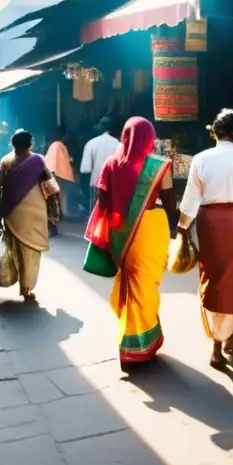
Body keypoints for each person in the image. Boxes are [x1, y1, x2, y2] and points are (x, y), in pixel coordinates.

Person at [177, 109, 233, 368]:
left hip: (210, 223)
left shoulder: (201, 159)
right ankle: (225, 339)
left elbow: (190, 200)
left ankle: (219, 343)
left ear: (214, 132)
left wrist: (182, 231)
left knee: (214, 279)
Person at [85, 117, 177, 367]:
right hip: (150, 229)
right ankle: (134, 346)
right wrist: (179, 230)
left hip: (121, 233)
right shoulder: (159, 166)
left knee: (132, 282)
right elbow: (170, 203)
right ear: (150, 138)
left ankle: (137, 338)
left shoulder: (110, 164)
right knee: (145, 285)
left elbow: (102, 202)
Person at [0, 130, 56, 302]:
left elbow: (0, 191)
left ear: (13, 144)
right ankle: (26, 286)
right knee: (32, 250)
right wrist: (53, 211)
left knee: (17, 250)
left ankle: (23, 284)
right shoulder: (38, 160)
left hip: (11, 213)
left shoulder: (5, 162)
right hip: (35, 211)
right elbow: (50, 186)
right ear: (31, 144)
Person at [81, 117, 119, 209]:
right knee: (110, 214)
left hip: (96, 184)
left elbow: (85, 169)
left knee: (95, 214)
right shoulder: (117, 143)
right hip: (112, 185)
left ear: (99, 127)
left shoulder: (91, 143)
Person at [45, 126, 76, 235]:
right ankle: (56, 218)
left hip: (55, 175)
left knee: (58, 197)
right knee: (57, 197)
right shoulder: (57, 145)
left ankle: (58, 216)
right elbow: (54, 163)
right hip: (56, 175)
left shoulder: (56, 145)